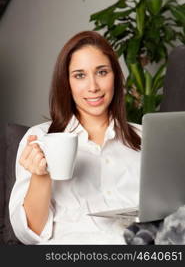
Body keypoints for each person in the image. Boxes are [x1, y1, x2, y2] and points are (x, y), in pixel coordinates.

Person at [9, 31, 142, 245]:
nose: (93, 87)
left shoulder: (144, 138)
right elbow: (29, 234)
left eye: (102, 72)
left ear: (115, 76)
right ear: (66, 83)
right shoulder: (40, 139)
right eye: (80, 75)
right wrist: (40, 176)